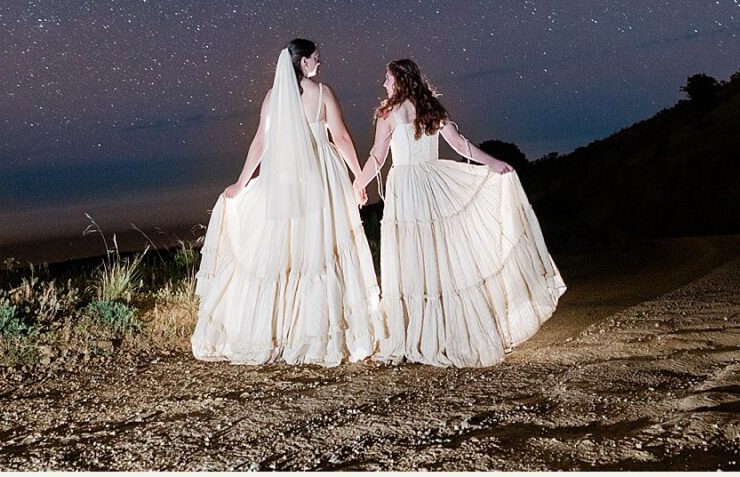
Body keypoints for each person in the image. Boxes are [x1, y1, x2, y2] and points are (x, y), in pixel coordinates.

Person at [354, 58, 565, 366]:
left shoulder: (389, 113)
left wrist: (356, 186)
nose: (384, 83)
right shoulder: (432, 109)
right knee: (437, 255)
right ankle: (440, 333)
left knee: (412, 257)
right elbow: (460, 145)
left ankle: (418, 334)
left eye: (387, 78)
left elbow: (377, 156)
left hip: (409, 187)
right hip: (431, 184)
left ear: (399, 80)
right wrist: (491, 162)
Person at [192, 39, 381, 365]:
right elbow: (342, 137)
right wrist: (358, 178)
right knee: (320, 248)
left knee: (289, 251)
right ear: (304, 62)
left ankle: (284, 330)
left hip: (285, 178)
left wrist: (243, 180)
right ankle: (316, 332)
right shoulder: (323, 92)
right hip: (322, 175)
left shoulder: (273, 97)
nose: (320, 63)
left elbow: (261, 142)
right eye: (316, 59)